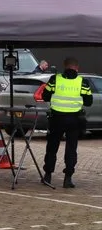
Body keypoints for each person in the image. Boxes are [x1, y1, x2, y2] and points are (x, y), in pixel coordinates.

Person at [41, 57, 91, 189]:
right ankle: (68, 178)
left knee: (52, 147)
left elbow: (44, 96)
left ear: (64, 66)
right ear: (77, 68)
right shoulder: (82, 82)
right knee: (71, 149)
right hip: (74, 120)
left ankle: (47, 175)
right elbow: (89, 101)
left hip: (56, 118)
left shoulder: (55, 79)